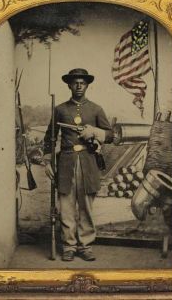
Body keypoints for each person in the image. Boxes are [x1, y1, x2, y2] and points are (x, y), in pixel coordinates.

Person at [43, 68, 113, 261]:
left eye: (82, 82)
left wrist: (94, 132)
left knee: (86, 207)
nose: (79, 86)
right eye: (75, 83)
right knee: (66, 207)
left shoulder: (96, 109)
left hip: (88, 163)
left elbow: (111, 135)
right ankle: (69, 246)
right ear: (69, 85)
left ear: (88, 85)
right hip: (65, 163)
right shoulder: (60, 110)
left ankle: (85, 246)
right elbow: (49, 138)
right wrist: (48, 161)